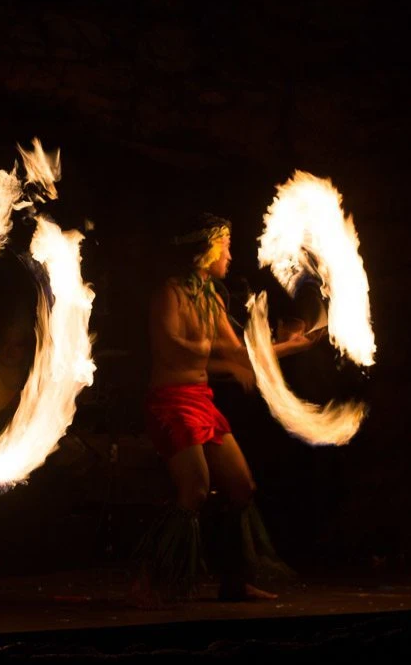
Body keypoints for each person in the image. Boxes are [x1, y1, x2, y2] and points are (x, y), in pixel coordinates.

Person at [129, 212, 314, 608]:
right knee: (194, 489)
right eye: (226, 247)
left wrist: (286, 348)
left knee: (242, 486)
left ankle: (236, 582)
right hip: (170, 402)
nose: (230, 256)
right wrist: (225, 357)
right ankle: (148, 578)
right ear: (207, 250)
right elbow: (171, 346)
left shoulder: (211, 296)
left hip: (202, 401)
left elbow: (238, 351)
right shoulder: (171, 293)